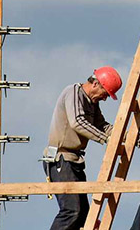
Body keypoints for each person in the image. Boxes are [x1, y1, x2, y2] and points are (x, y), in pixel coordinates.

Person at [43, 66, 123, 230]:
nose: (104, 99)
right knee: (72, 211)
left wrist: (124, 134)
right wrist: (106, 139)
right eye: (105, 94)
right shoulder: (73, 92)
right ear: (96, 84)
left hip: (74, 161)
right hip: (61, 159)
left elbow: (102, 125)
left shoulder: (92, 102)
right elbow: (77, 122)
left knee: (83, 214)